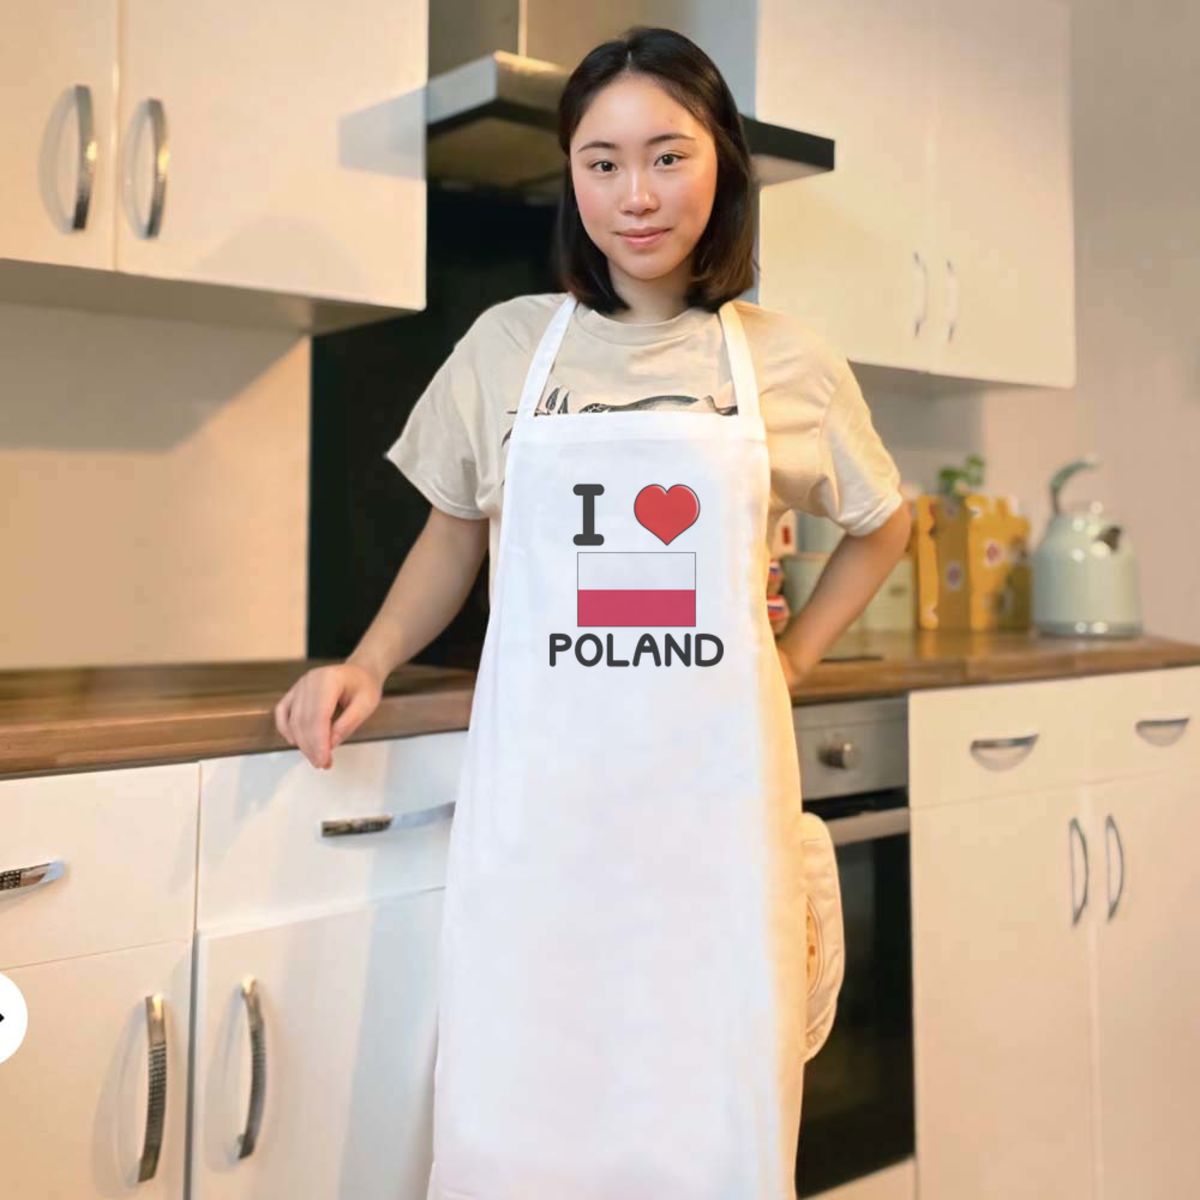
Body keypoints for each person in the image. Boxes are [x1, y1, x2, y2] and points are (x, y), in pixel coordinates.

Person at [275, 25, 911, 1200]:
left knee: (711, 1139)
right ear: (571, 176)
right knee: (523, 1131)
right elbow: (454, 532)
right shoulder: (509, 347)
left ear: (722, 164)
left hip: (715, 834)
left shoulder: (789, 362)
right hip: (545, 830)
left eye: (668, 156)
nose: (636, 195)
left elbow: (885, 522)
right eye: (602, 162)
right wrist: (365, 662)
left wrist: (790, 663)